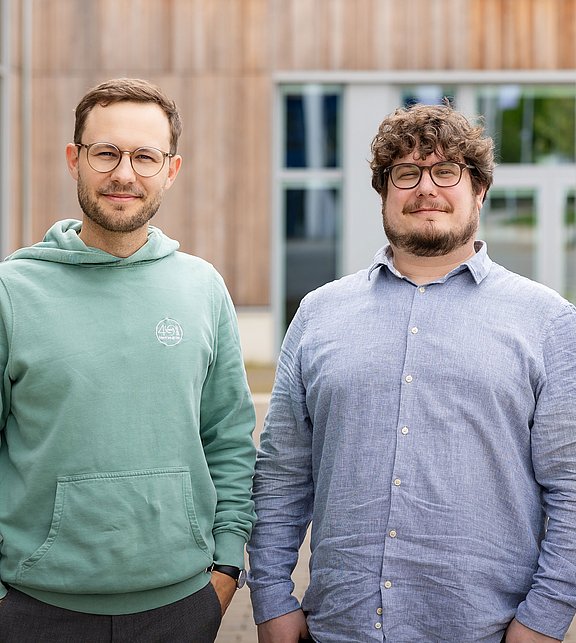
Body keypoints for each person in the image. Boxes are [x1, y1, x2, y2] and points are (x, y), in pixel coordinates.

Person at [247, 102, 576, 642]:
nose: (426, 188)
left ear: (480, 190)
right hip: (339, 629)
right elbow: (284, 473)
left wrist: (542, 621)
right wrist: (270, 598)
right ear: (383, 192)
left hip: (485, 632)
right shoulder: (319, 313)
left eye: (446, 171)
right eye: (406, 173)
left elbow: (570, 488)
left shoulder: (548, 322)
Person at [0, 78, 256, 642]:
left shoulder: (202, 288)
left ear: (172, 169)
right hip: (32, 608)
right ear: (75, 160)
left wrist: (226, 569)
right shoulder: (12, 292)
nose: (124, 173)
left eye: (145, 156)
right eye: (106, 153)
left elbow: (230, 440)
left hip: (183, 604)